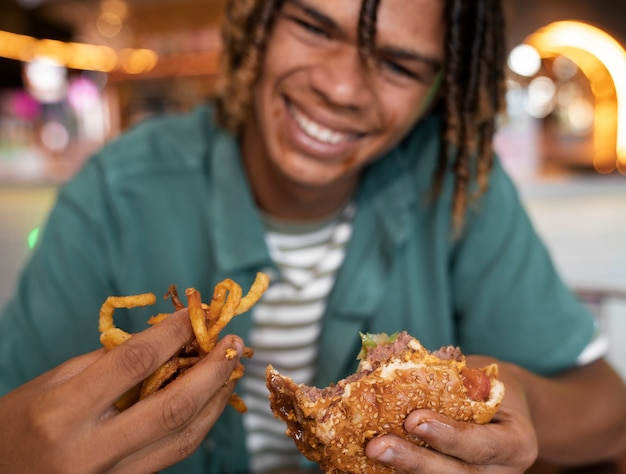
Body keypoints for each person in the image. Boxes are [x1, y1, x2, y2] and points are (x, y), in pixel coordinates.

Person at [1, 0, 625, 472]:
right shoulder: (116, 192)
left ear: (441, 91)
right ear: (258, 18)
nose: (342, 89)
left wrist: (518, 405)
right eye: (314, 27)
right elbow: (20, 415)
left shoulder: (460, 186)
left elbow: (609, 413)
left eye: (400, 65)